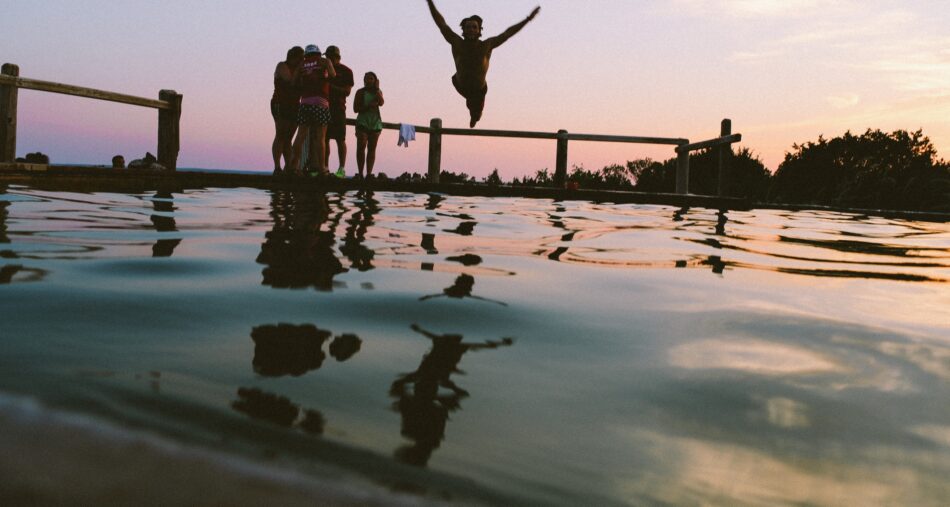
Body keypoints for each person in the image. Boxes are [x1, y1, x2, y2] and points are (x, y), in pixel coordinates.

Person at [425, 0, 540, 127]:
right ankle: (472, 109)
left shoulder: (486, 45)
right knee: (470, 102)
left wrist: (528, 19)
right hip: (460, 85)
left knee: (476, 113)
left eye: (474, 27)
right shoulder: (457, 42)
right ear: (463, 30)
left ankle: (474, 116)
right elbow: (441, 23)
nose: (471, 30)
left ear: (479, 30)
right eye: (468, 27)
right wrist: (429, 2)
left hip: (478, 90)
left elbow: (508, 33)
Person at [290, 44, 336, 176]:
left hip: (304, 102)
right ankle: (322, 169)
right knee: (321, 137)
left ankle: (294, 166)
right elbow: (333, 75)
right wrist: (322, 77)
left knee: (300, 135)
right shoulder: (324, 61)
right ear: (318, 52)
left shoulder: (302, 64)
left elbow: (293, 82)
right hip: (321, 101)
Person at [271, 46, 304, 175]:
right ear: (294, 57)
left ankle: (289, 167)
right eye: (301, 58)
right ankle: (277, 167)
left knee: (289, 137)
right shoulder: (282, 66)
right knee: (280, 134)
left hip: (295, 105)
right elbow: (290, 81)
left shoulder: (300, 70)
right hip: (281, 103)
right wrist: (300, 71)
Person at [323, 45, 354, 178]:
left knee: (340, 139)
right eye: (327, 56)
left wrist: (330, 87)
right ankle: (325, 168)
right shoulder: (323, 69)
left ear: (337, 57)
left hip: (339, 109)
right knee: (325, 139)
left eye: (330, 56)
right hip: (324, 108)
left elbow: (347, 92)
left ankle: (341, 169)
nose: (328, 59)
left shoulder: (347, 71)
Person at [353, 72, 384, 178]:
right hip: (363, 122)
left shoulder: (378, 92)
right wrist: (367, 106)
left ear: (375, 80)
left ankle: (369, 174)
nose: (368, 80)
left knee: (372, 148)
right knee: (361, 146)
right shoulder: (360, 92)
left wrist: (377, 89)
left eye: (371, 78)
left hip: (375, 123)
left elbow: (381, 102)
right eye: (366, 78)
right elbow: (355, 109)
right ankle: (360, 173)